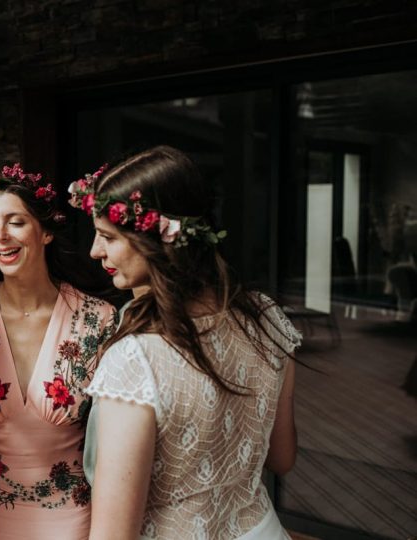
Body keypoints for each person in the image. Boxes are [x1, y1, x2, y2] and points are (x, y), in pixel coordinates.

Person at [68, 146, 300, 539]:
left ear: (158, 239)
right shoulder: (268, 319)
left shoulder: (137, 360)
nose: (95, 250)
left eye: (108, 236)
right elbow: (282, 458)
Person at [0, 164, 119, 539]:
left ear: (46, 231)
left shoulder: (98, 319)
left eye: (15, 222)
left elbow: (115, 438)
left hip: (70, 514)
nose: (0, 236)